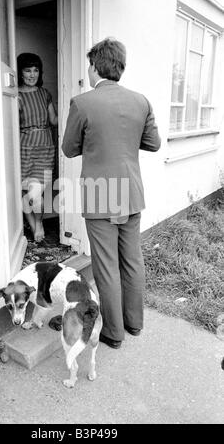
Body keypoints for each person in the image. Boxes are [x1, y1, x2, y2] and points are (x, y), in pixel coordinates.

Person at [62, 38, 161, 349]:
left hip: (102, 193)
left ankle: (113, 333)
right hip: (130, 192)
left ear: (94, 67)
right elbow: (154, 143)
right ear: (120, 67)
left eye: (88, 66)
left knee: (106, 265)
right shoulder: (141, 101)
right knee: (131, 260)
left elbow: (69, 148)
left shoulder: (83, 103)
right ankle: (134, 324)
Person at [17, 53, 58, 242]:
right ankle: (34, 227)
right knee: (24, 192)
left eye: (36, 70)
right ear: (20, 72)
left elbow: (54, 120)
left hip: (45, 147)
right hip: (24, 148)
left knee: (36, 195)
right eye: (27, 70)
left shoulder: (44, 93)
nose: (32, 74)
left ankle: (39, 222)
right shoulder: (14, 95)